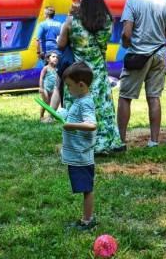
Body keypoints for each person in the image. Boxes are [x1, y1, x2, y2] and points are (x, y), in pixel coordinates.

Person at [57, 0, 123, 154]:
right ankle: (106, 143)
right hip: (98, 71)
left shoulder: (72, 20)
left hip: (77, 71)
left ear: (82, 1)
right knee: (102, 107)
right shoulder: (107, 20)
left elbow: (60, 44)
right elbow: (103, 45)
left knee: (77, 107)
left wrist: (69, 18)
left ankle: (80, 144)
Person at [117, 0, 166, 149]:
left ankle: (121, 140)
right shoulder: (164, 3)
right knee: (154, 97)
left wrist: (126, 44)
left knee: (125, 96)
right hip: (159, 54)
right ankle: (154, 141)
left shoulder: (132, 2)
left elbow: (126, 33)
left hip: (137, 56)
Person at [59, 62, 98, 231]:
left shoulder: (85, 102)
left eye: (69, 86)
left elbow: (91, 125)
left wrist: (72, 125)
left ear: (81, 85)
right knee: (84, 188)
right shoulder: (79, 100)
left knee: (87, 189)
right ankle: (86, 219)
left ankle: (88, 221)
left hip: (82, 156)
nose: (67, 89)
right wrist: (65, 116)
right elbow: (76, 119)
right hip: (77, 154)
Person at [39, 51, 59, 121]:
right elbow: (41, 78)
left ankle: (49, 117)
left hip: (53, 89)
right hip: (45, 88)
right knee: (45, 102)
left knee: (51, 103)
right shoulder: (46, 68)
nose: (56, 58)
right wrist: (41, 87)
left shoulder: (57, 69)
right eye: (53, 57)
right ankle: (41, 116)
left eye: (57, 57)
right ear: (48, 59)